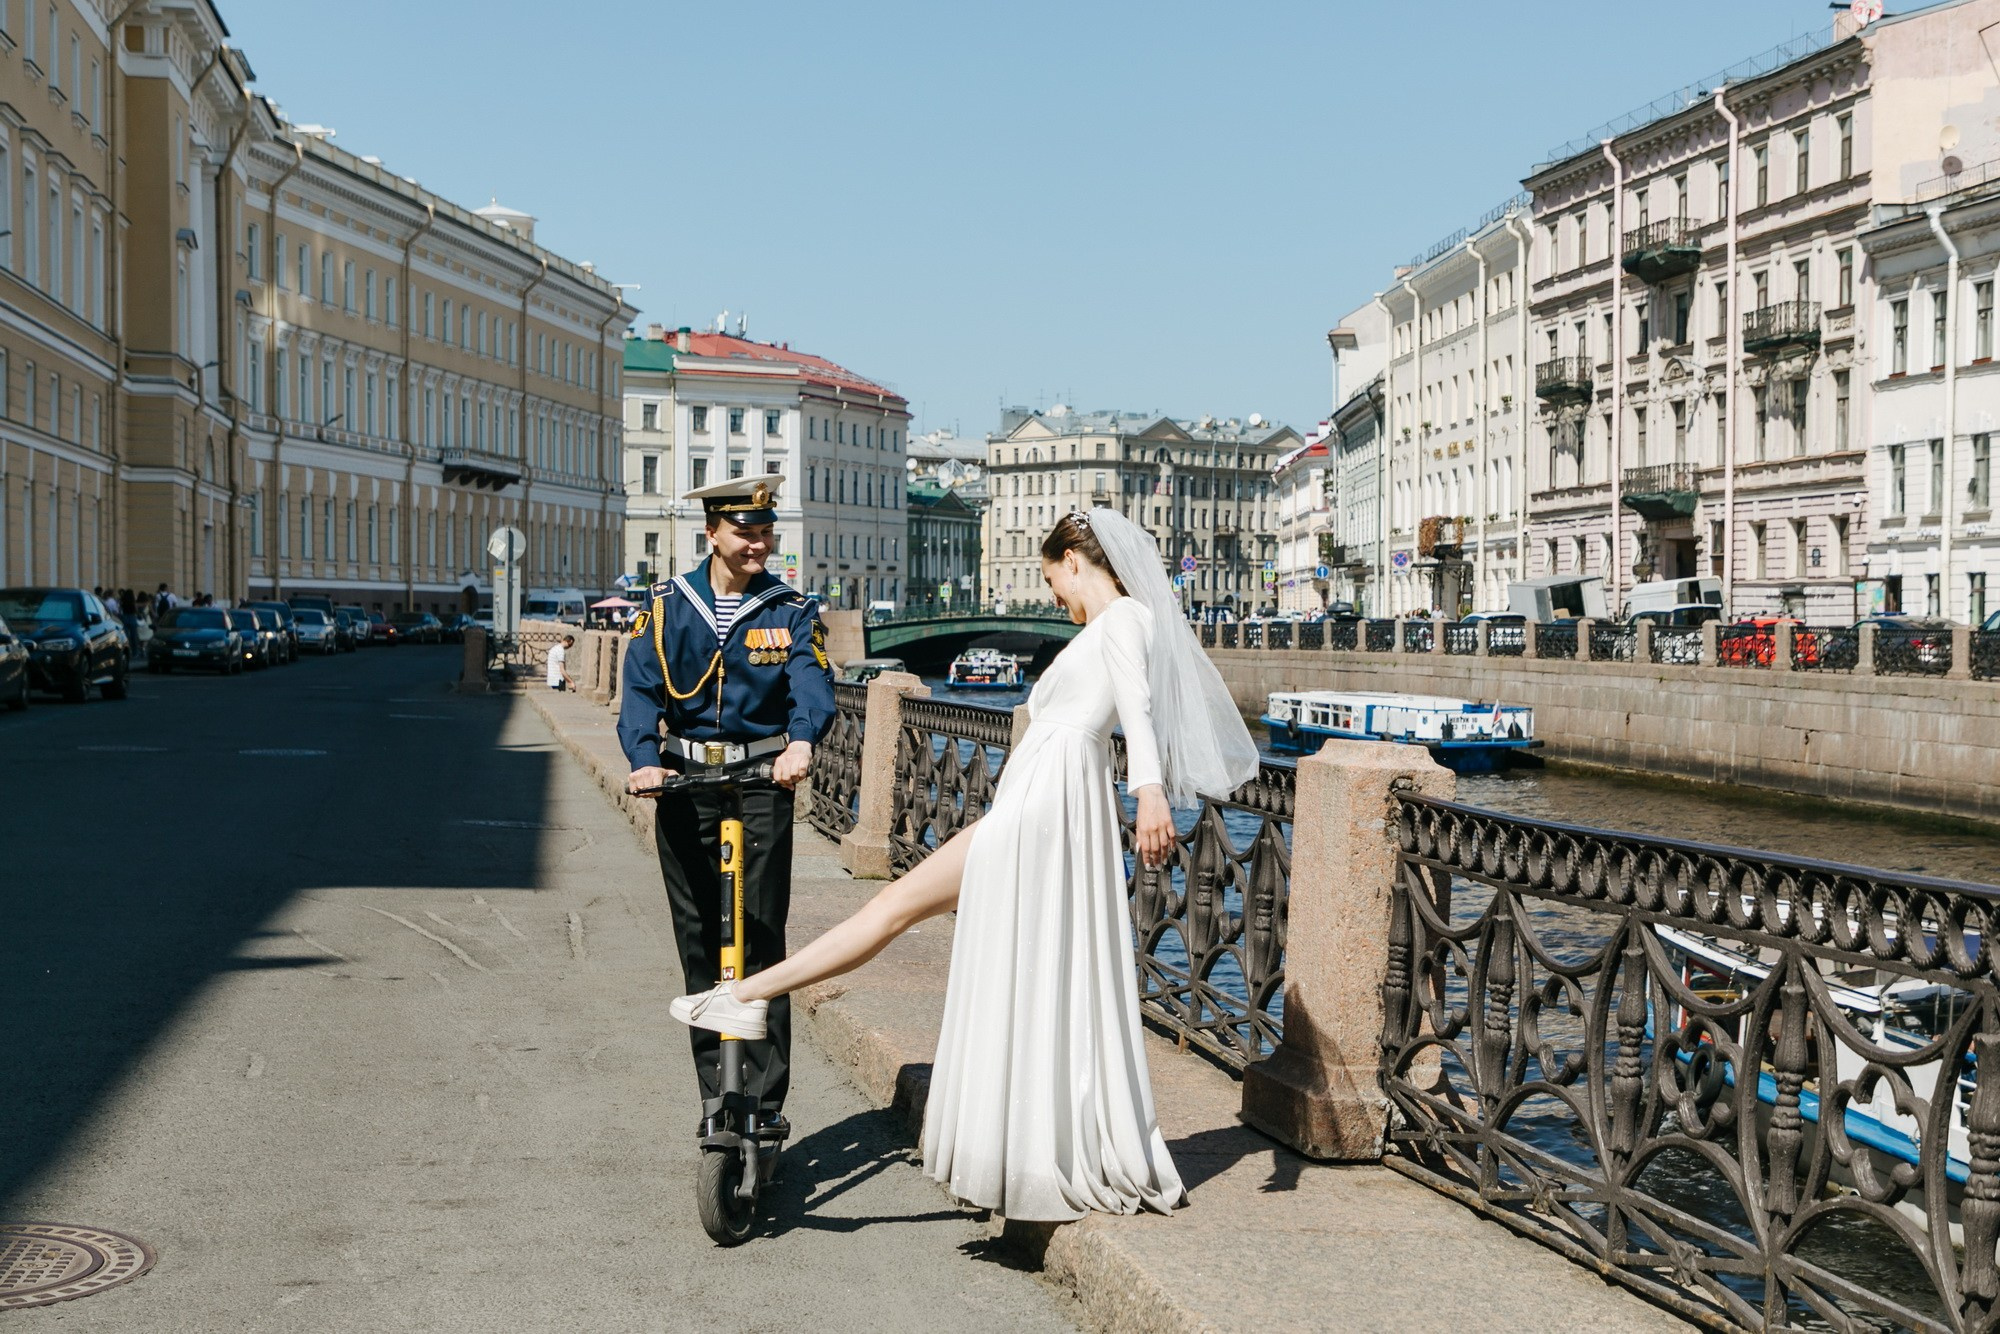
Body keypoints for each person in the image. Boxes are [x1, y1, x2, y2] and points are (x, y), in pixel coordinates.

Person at [670, 508, 1259, 1221]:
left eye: (1051, 581)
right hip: (1042, 803)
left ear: (1076, 557)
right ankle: (755, 995)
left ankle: (752, 993)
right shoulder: (1111, 626)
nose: (1052, 600)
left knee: (891, 911)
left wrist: (1150, 789)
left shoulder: (1124, 620)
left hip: (1046, 807)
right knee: (924, 925)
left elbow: (1135, 705)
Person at [618, 474, 835, 1143]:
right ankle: (718, 1093)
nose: (759, 544)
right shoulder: (667, 605)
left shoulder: (790, 609)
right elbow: (640, 689)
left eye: (766, 532)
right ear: (712, 533)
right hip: (685, 782)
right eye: (746, 532)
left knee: (762, 939)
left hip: (762, 780)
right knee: (700, 941)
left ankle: (764, 1104)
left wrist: (801, 743)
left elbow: (811, 682)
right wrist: (643, 760)